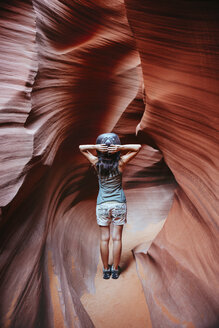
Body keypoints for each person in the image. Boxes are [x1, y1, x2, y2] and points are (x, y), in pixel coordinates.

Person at [79, 133, 141, 279]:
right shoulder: (121, 163)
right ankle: (115, 270)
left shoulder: (96, 163)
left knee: (104, 239)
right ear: (115, 148)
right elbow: (137, 148)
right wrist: (120, 147)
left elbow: (81, 148)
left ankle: (106, 270)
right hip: (119, 204)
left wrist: (95, 147)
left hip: (102, 205)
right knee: (117, 238)